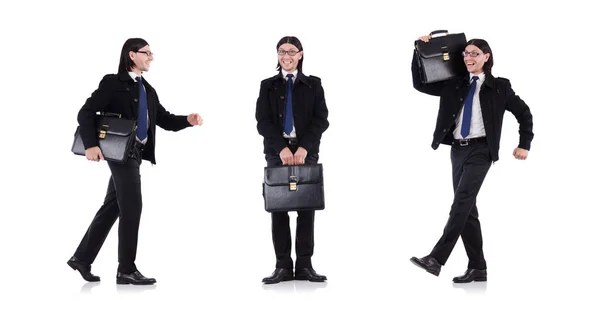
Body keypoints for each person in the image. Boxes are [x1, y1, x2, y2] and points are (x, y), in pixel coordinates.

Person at [67, 38, 203, 285]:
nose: (151, 57)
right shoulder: (113, 82)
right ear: (132, 55)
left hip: (135, 154)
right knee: (132, 207)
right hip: (120, 153)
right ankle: (126, 269)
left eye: (151, 53)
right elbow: (85, 112)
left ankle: (81, 258)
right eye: (147, 52)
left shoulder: (148, 89)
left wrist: (187, 120)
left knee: (114, 206)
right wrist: (90, 145)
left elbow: (164, 119)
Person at [409, 35, 534, 283]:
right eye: (465, 53)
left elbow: (524, 113)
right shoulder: (454, 83)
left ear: (486, 57)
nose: (468, 58)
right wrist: (417, 51)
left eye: (474, 53)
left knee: (461, 202)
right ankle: (478, 267)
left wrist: (524, 144)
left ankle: (436, 258)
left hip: (481, 151)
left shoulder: (500, 87)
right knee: (467, 209)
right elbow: (420, 84)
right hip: (457, 149)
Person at [255, 36, 330, 284]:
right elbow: (263, 121)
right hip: (278, 153)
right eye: (281, 51)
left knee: (307, 207)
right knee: (278, 208)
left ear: (300, 54)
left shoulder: (313, 85)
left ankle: (305, 265)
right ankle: (283, 266)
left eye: (290, 51)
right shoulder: (267, 85)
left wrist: (305, 147)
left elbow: (321, 120)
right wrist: (282, 149)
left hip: (307, 152)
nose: (285, 56)